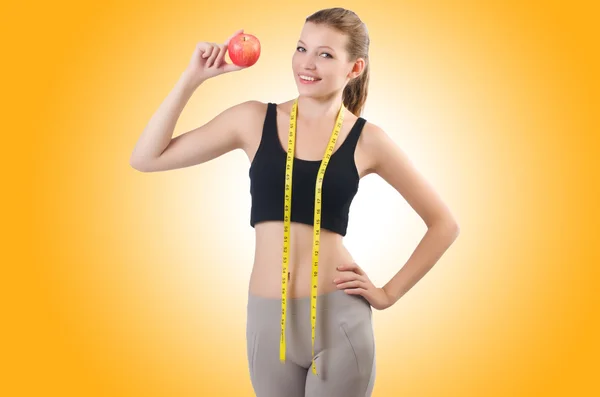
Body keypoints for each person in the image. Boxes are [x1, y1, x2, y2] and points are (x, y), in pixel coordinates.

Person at [130, 7, 460, 397]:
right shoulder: (252, 120)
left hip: (339, 317)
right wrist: (193, 78)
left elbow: (444, 224)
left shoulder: (369, 140)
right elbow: (146, 158)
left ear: (354, 69)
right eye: (302, 48)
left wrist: (388, 294)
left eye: (325, 54)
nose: (307, 63)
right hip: (268, 320)